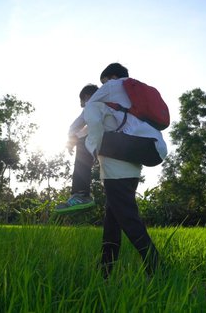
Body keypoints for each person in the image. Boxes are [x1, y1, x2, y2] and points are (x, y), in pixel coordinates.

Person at [83, 62, 168, 278]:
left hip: (118, 169)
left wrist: (89, 145)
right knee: (112, 222)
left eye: (104, 82)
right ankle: (106, 271)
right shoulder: (133, 93)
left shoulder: (112, 87)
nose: (103, 88)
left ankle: (156, 267)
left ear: (110, 77)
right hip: (140, 155)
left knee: (128, 219)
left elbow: (89, 110)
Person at [53, 84, 99, 213]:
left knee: (81, 157)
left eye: (82, 101)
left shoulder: (92, 103)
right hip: (120, 140)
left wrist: (70, 142)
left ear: (86, 97)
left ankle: (80, 194)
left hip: (100, 142)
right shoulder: (109, 102)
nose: (83, 104)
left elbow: (75, 126)